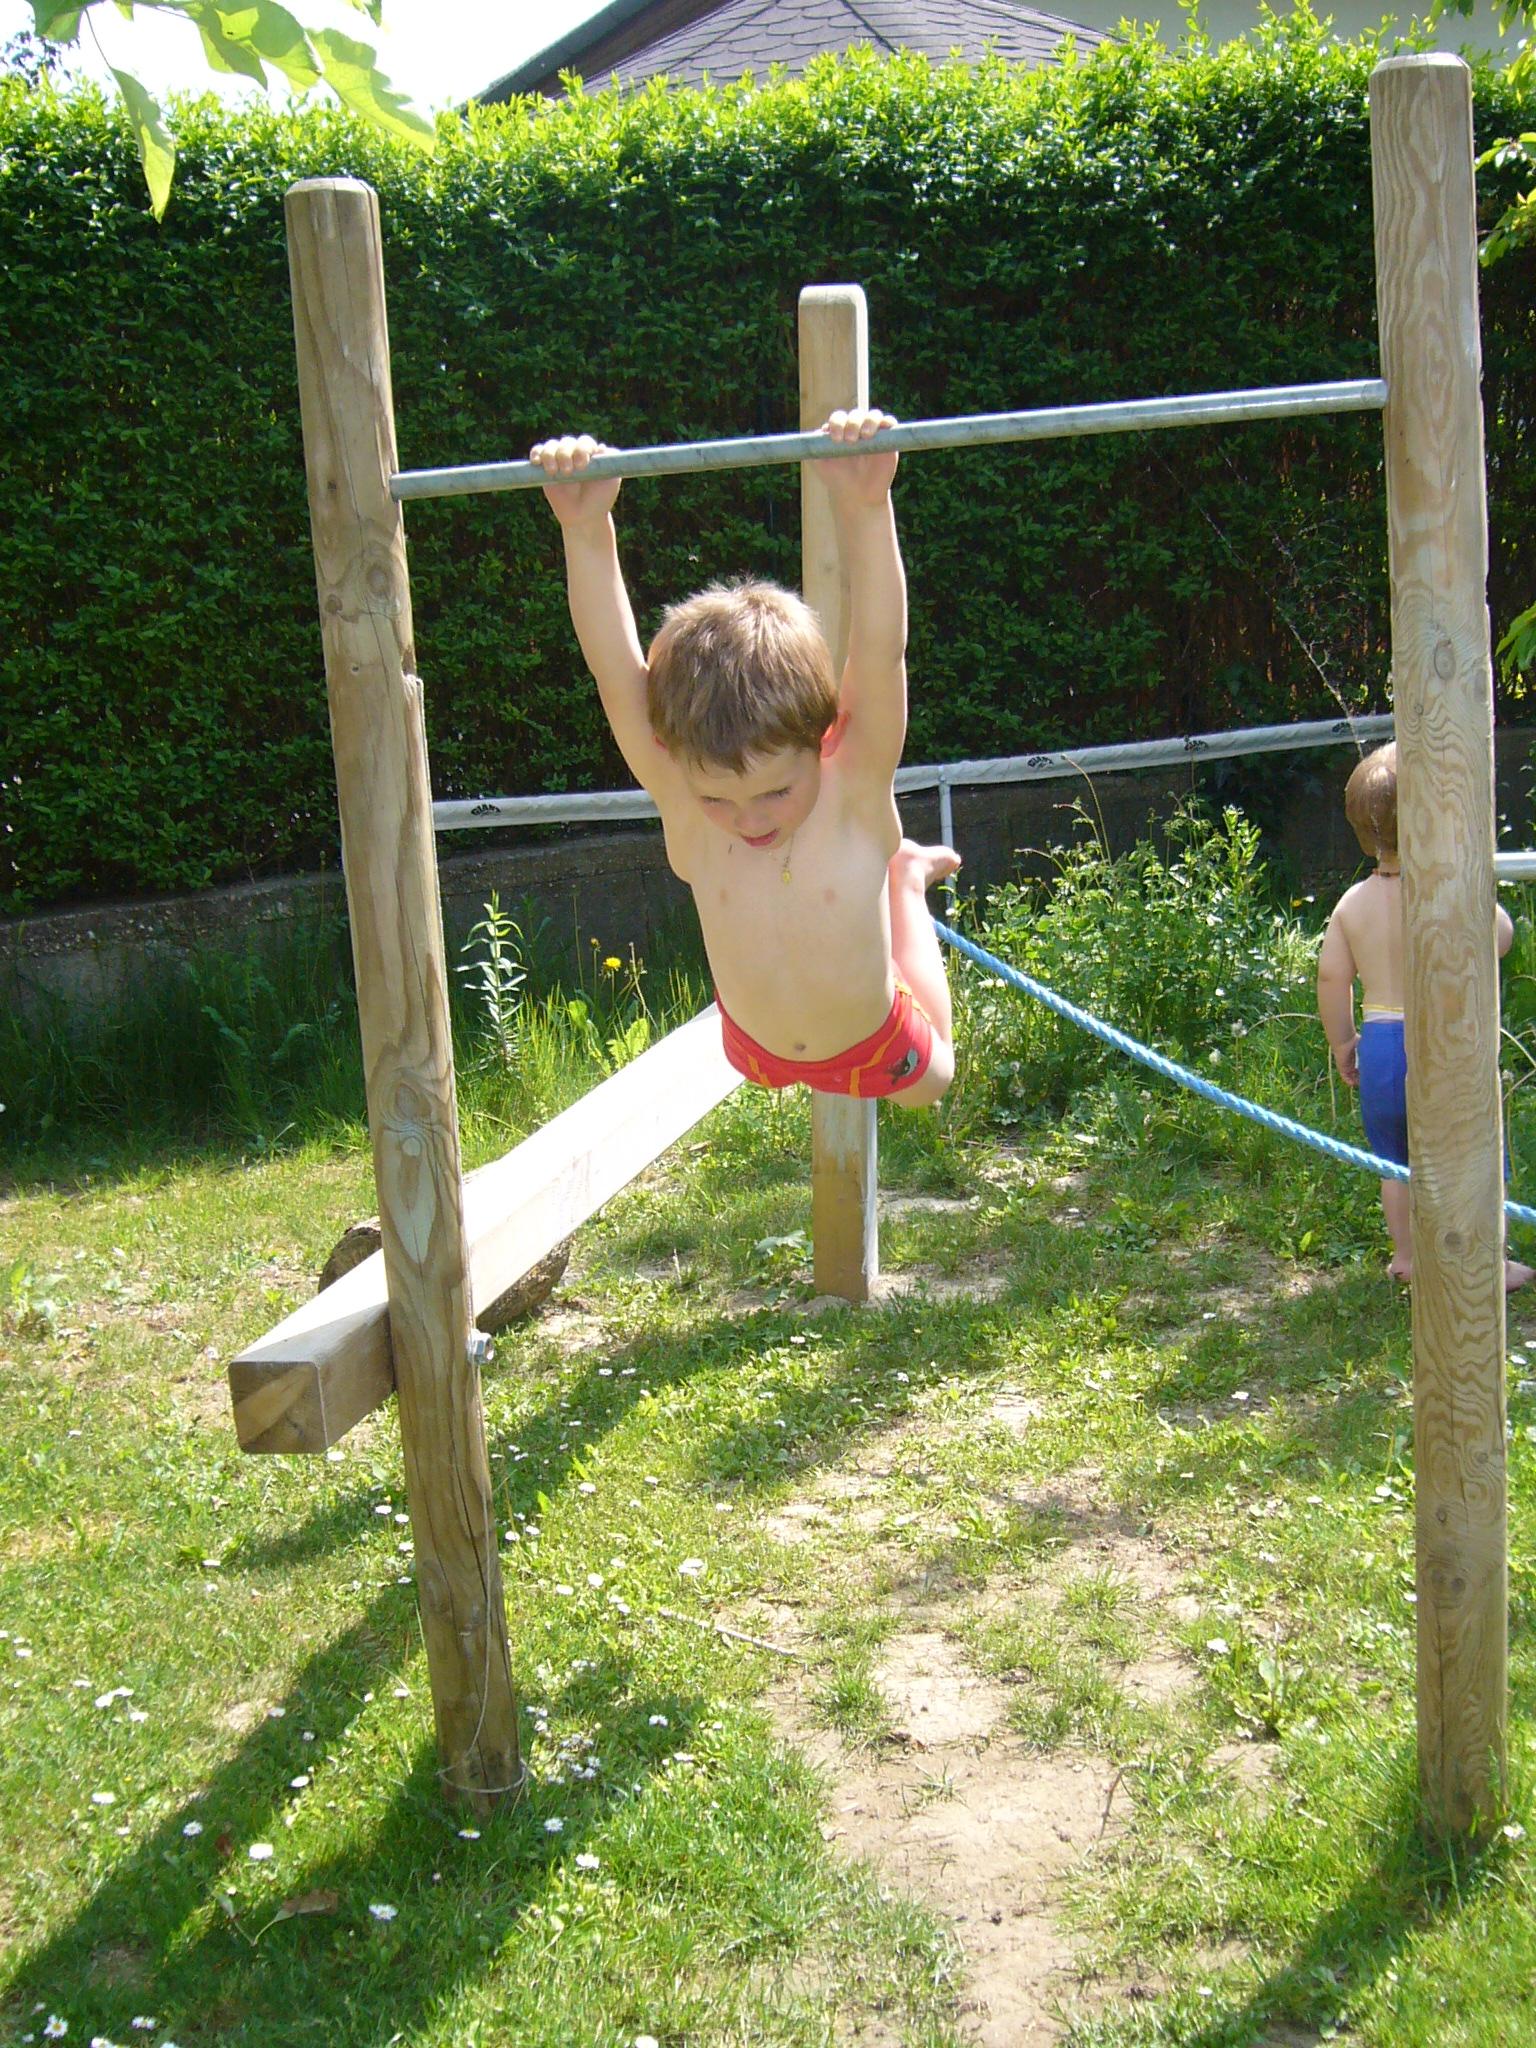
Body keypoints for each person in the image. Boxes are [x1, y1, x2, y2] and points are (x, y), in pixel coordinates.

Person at [529, 409, 958, 1106]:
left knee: (933, 1082)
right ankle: (902, 878)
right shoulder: (683, 796)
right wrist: (584, 527)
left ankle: (904, 881)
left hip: (872, 1042)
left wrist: (866, 504)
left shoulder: (852, 789)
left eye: (775, 793)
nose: (748, 820)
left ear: (825, 739)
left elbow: (881, 653)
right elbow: (616, 673)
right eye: (717, 799)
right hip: (752, 1049)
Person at [1317, 740, 1530, 1289]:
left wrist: (1343, 1043)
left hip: (1383, 1046)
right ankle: (1487, 1261)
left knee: (1395, 1160)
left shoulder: (1351, 905)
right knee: (1474, 1152)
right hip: (1447, 1040)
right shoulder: (1446, 890)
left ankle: (1408, 1258)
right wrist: (1473, 879)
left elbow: (1332, 978)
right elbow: (1501, 939)